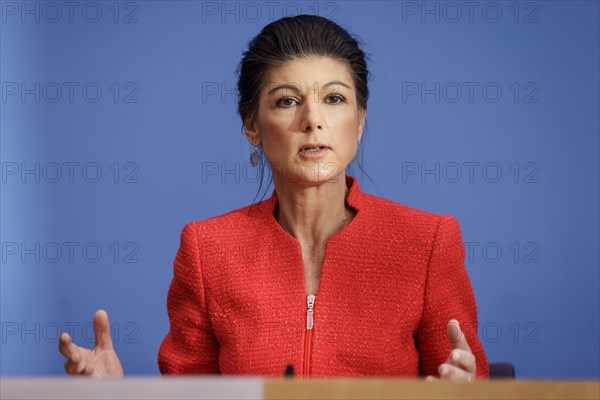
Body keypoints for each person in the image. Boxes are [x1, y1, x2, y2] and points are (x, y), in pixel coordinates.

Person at [59, 14, 489, 380]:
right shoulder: (207, 250)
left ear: (359, 122)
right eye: (287, 101)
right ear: (252, 126)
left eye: (334, 99)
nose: (313, 120)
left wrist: (467, 390)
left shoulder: (427, 241)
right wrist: (116, 394)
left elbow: (467, 381)